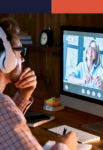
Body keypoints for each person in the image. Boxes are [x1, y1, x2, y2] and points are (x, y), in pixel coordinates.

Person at [0, 17, 78, 150]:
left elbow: (6, 132)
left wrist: (24, 95)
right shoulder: (3, 105)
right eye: (20, 52)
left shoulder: (4, 110)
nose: (23, 59)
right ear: (7, 58)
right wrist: (65, 146)